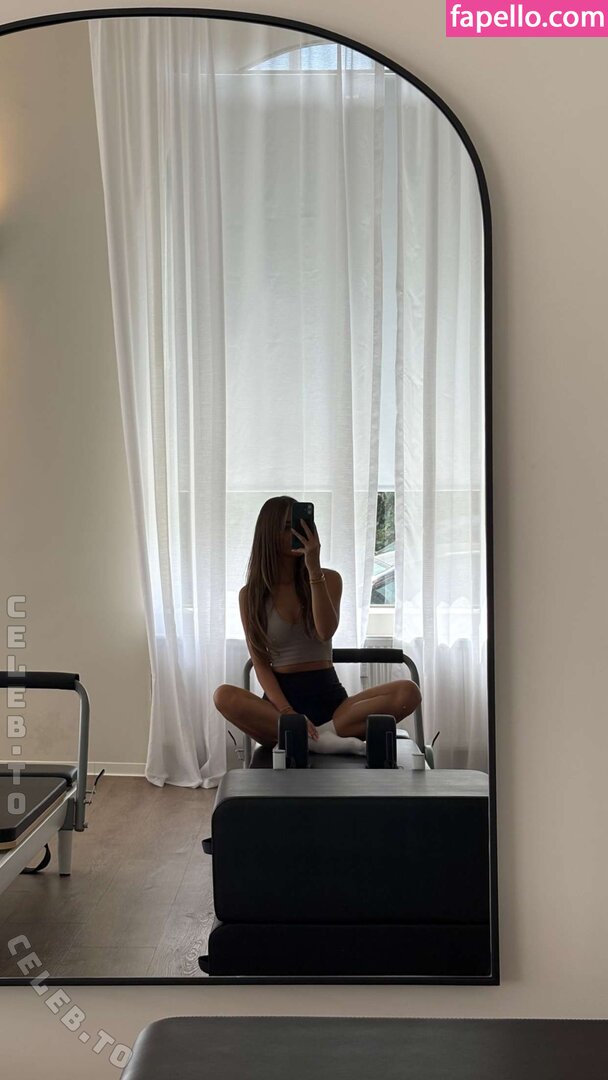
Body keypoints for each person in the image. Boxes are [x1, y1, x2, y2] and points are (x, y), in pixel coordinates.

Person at [213, 495, 421, 755]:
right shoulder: (251, 595)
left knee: (408, 692)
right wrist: (287, 712)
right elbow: (260, 662)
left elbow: (325, 631)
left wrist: (313, 568)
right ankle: (317, 739)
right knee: (223, 696)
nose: (296, 533)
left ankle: (313, 738)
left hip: (330, 700)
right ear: (269, 534)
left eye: (300, 526)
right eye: (286, 527)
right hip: (281, 708)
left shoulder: (329, 579)